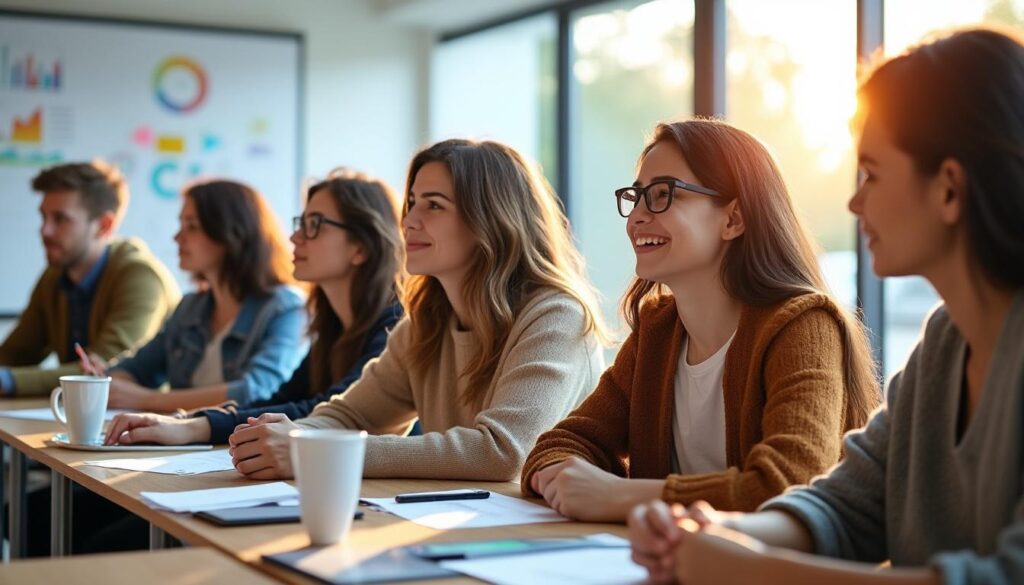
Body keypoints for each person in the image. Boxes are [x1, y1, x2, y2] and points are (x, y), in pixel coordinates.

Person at [627, 27, 1024, 585]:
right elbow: (847, 505)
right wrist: (717, 533)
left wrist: (749, 568)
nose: (855, 201)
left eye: (872, 174)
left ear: (949, 189)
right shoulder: (945, 343)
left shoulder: (802, 323)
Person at [520, 118, 880, 523]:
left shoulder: (802, 325)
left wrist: (621, 495)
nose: (636, 216)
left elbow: (788, 485)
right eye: (636, 197)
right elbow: (561, 442)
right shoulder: (658, 333)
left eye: (661, 194)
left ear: (733, 219)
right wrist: (566, 476)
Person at [224, 138, 608, 481]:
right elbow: (351, 416)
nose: (409, 221)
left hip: (546, 543)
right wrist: (287, 436)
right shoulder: (425, 322)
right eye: (411, 204)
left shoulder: (557, 316)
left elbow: (502, 453)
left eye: (433, 206)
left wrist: (310, 448)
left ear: (490, 220)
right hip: (464, 530)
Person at [103, 169, 405, 446]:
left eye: (314, 225)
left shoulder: (394, 326)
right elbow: (282, 400)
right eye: (301, 223)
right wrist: (184, 422)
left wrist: (192, 426)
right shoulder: (331, 327)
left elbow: (326, 411)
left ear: (361, 247)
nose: (294, 237)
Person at [100, 179, 305, 412]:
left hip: (235, 445)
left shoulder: (285, 307)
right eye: (181, 225)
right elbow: (135, 369)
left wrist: (147, 400)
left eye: (192, 226)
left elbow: (256, 391)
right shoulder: (190, 306)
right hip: (180, 441)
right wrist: (111, 379)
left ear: (231, 233)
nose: (177, 237)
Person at [0, 160, 180, 396]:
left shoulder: (142, 277)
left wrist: (7, 380)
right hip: (74, 419)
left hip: (138, 423)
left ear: (104, 225)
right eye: (44, 217)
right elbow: (16, 353)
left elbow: (102, 370)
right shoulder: (54, 276)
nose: (45, 230)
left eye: (60, 219)